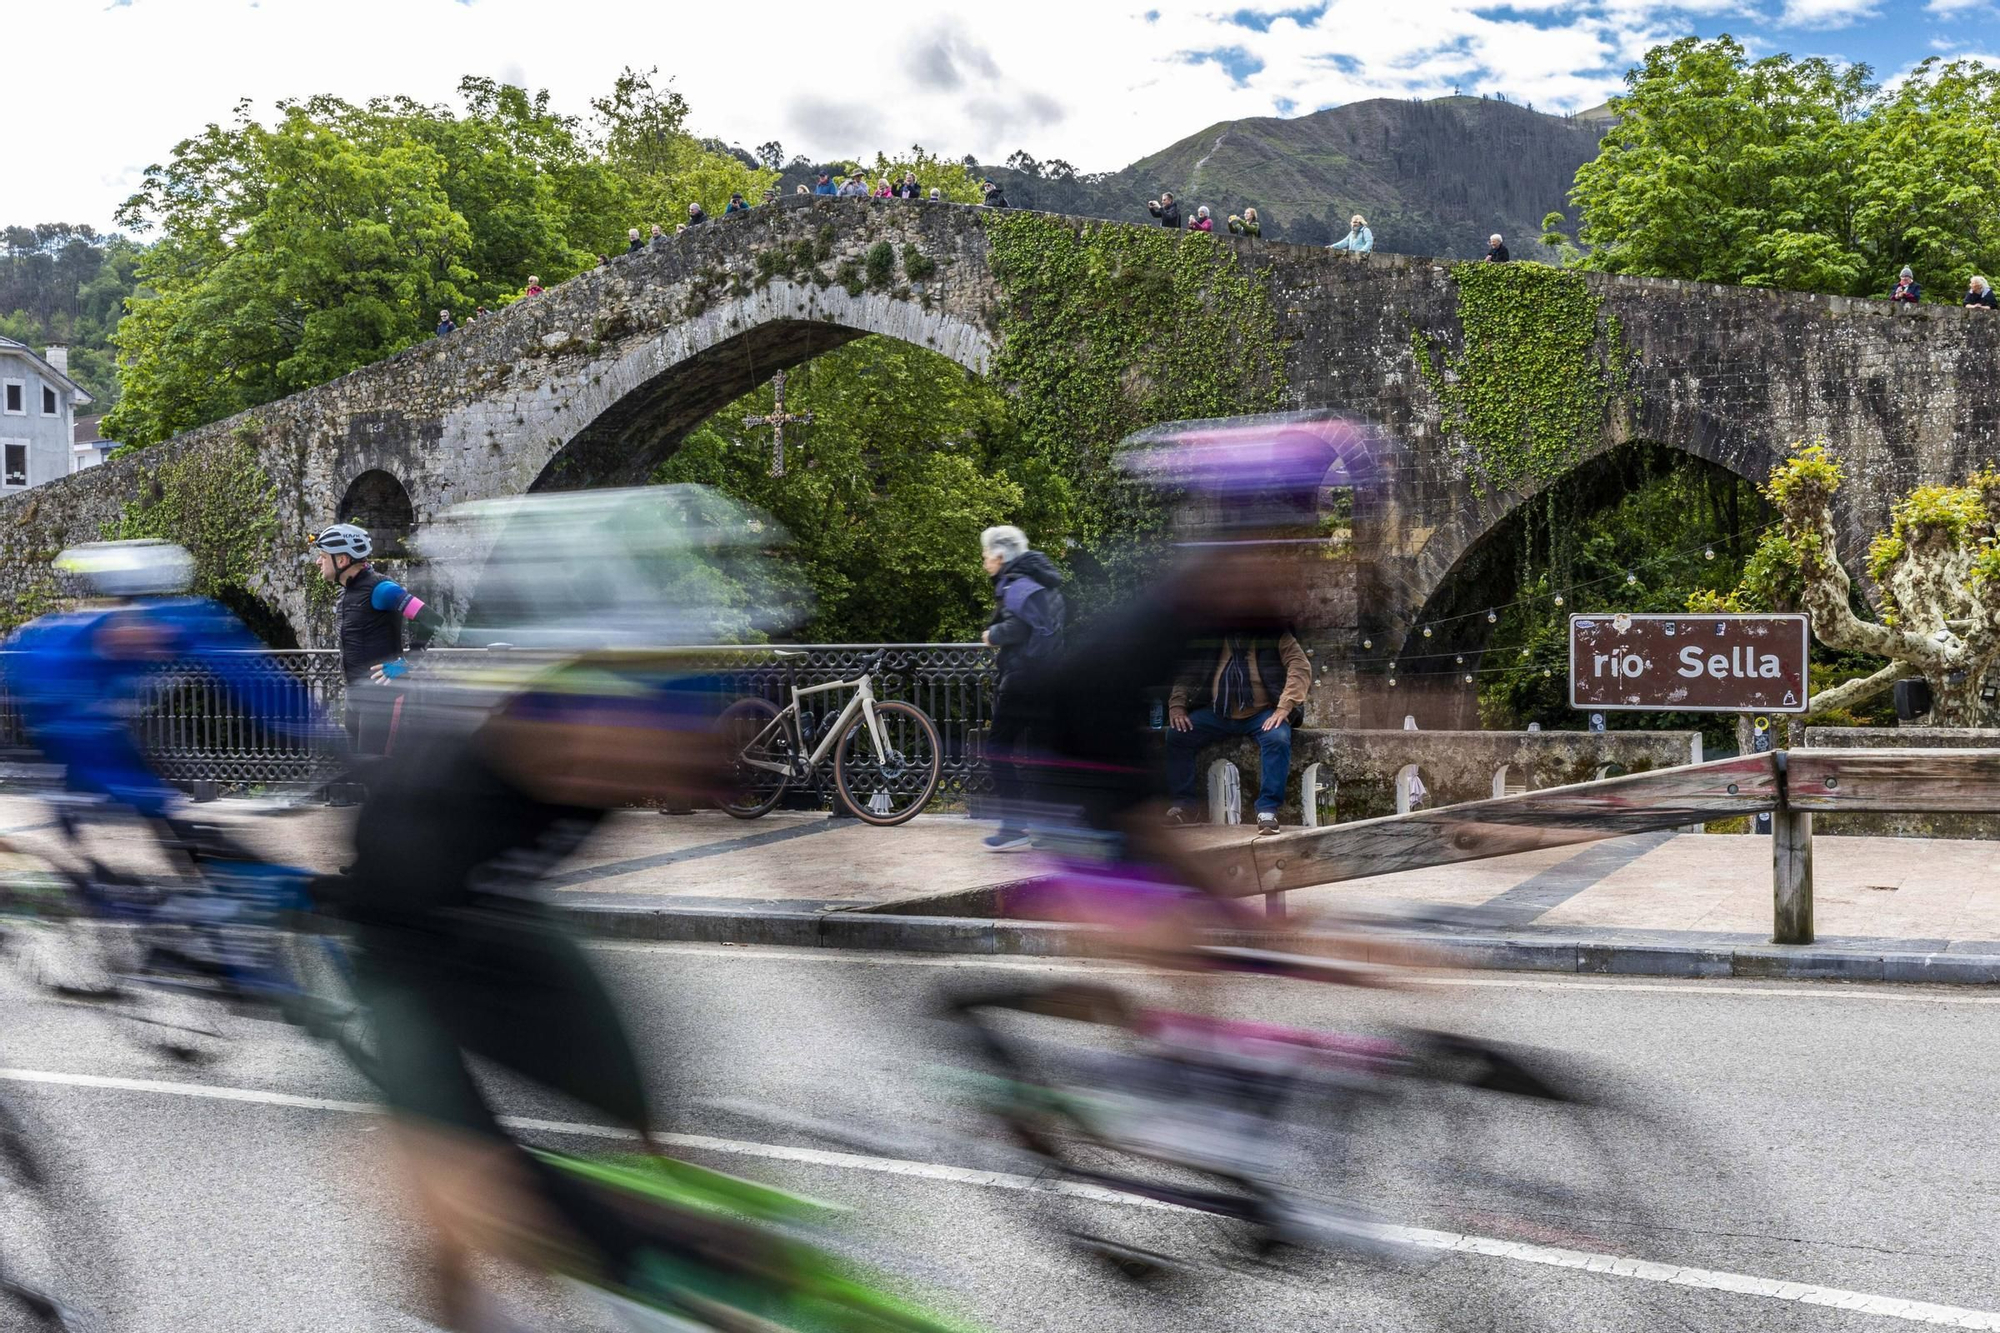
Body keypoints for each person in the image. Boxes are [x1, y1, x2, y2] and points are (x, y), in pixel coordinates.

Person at [4, 540, 329, 834]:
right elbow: (72, 740)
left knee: (171, 821)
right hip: (62, 735)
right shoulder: (57, 653)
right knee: (144, 808)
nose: (147, 626)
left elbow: (251, 675)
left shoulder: (171, 620)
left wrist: (313, 726)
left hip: (103, 728)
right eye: (131, 613)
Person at [309, 523, 444, 763]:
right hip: (356, 696)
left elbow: (431, 618)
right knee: (360, 771)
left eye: (322, 557)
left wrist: (403, 664)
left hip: (384, 698)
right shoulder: (347, 592)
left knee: (378, 769)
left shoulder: (381, 589)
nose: (318, 563)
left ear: (341, 560)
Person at [1164, 627, 1310, 835]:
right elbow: (1189, 670)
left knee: (1277, 737)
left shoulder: (1275, 633)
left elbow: (1299, 666)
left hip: (1261, 714)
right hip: (1217, 713)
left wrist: (1285, 706)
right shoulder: (1212, 634)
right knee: (1177, 734)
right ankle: (1185, 807)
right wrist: (1177, 704)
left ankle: (1268, 811)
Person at [979, 526, 1067, 852]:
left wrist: (992, 635)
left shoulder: (1017, 584)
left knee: (997, 748)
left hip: (1023, 678)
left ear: (1000, 556)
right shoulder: (1044, 582)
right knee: (1045, 754)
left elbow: (1018, 626)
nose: (984, 560)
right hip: (1049, 677)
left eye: (986, 555)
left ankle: (1015, 825)